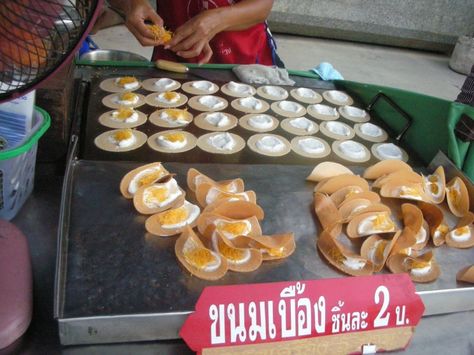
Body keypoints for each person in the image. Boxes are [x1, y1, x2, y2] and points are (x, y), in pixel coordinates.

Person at [107, 0, 283, 66]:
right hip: (175, 58)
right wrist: (131, 4)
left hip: (242, 61)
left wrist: (216, 20)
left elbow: (262, 6)